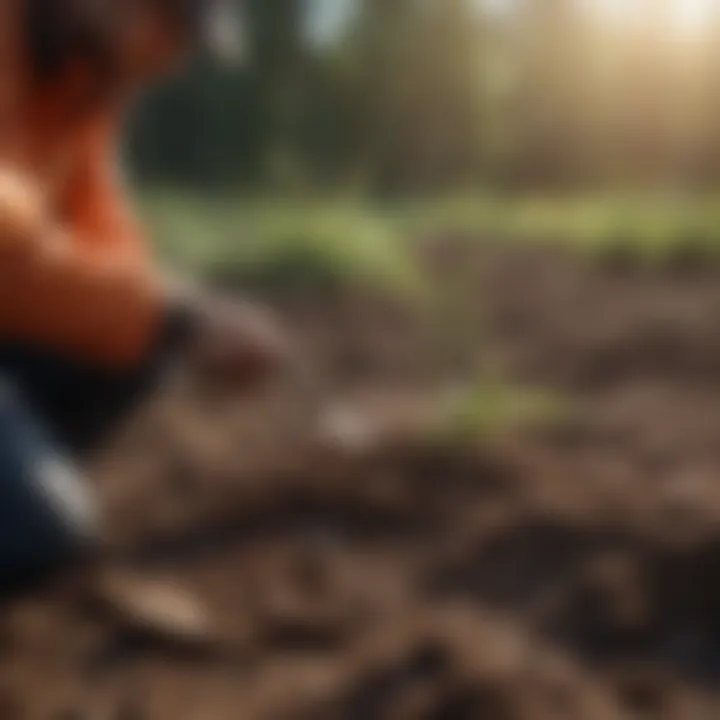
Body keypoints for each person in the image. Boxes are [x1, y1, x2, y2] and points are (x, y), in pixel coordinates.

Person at [0, 0, 288, 590]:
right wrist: (176, 314)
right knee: (35, 531)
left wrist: (187, 309)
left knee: (137, 353)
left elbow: (105, 236)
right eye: (174, 29)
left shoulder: (80, 79)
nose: (176, 62)